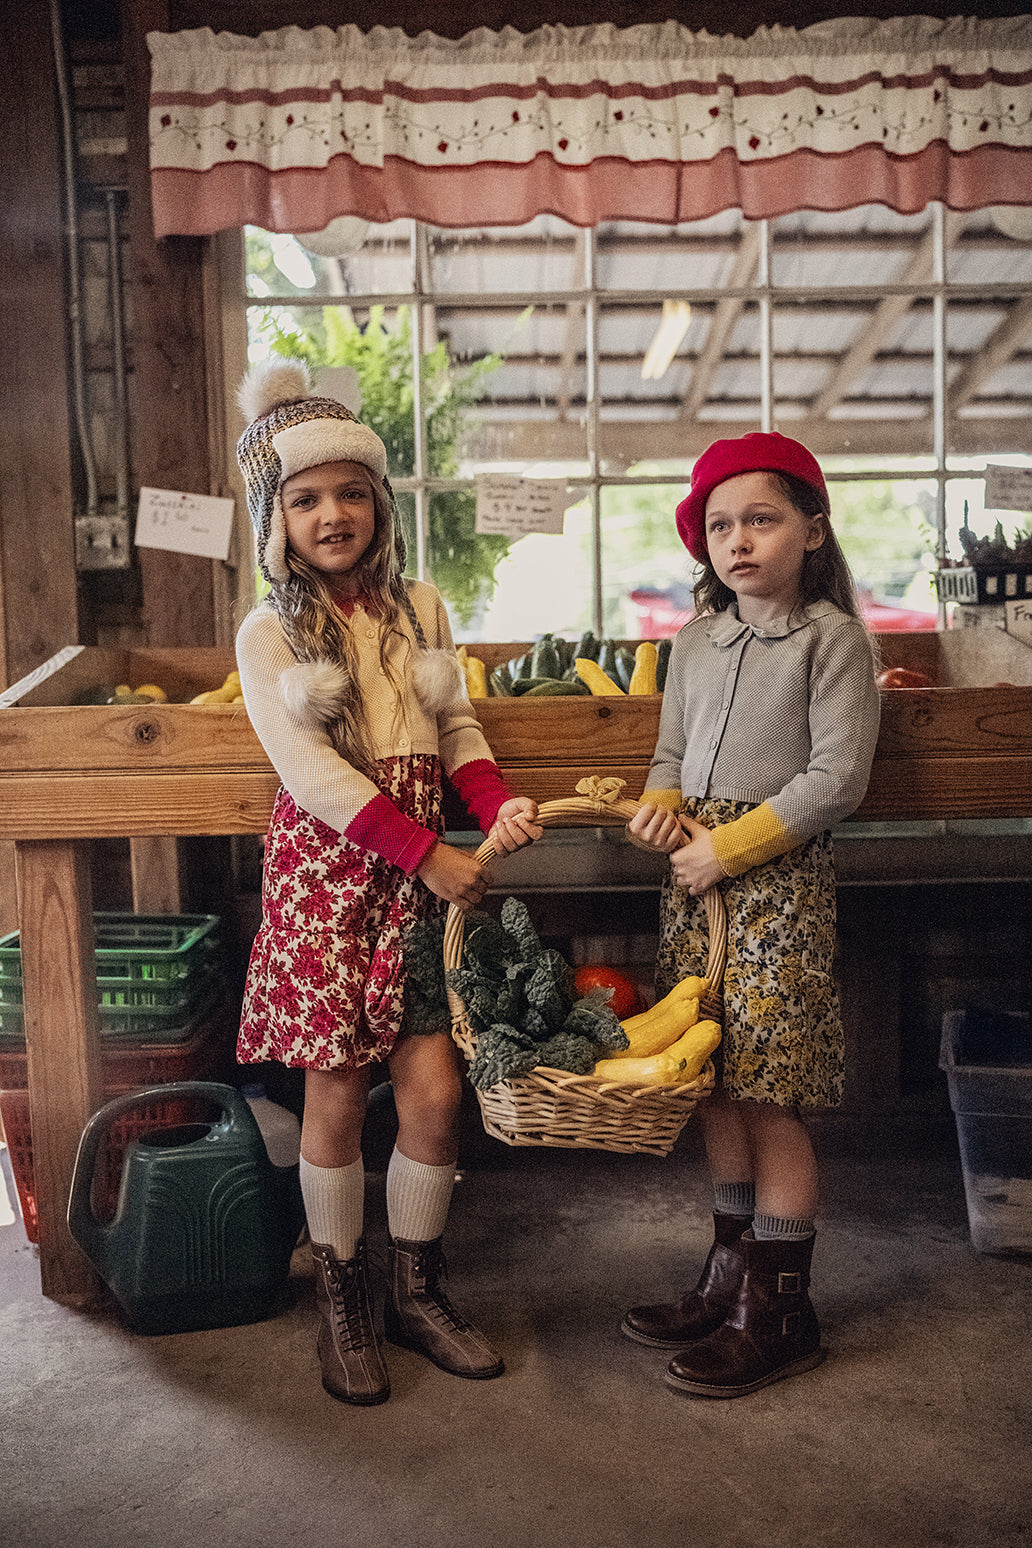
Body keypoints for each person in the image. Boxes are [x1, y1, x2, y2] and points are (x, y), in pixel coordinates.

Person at [233, 357, 540, 1406]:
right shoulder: (268, 630)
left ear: (381, 504)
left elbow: (455, 724)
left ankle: (417, 1290)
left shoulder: (421, 605)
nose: (333, 513)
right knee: (332, 1090)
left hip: (416, 888)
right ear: (276, 516)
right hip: (329, 879)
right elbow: (310, 774)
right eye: (307, 497)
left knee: (436, 1093)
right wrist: (432, 853)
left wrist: (491, 800)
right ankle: (343, 1299)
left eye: (353, 492)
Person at [622, 431, 880, 1399]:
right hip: (692, 882)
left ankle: (781, 1308)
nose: (738, 541)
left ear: (812, 530)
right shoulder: (692, 642)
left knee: (770, 1087)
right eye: (720, 526)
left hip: (775, 882)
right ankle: (729, 1273)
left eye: (762, 519)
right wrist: (660, 807)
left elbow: (836, 780)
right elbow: (669, 758)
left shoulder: (834, 641)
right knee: (712, 1078)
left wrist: (728, 846)